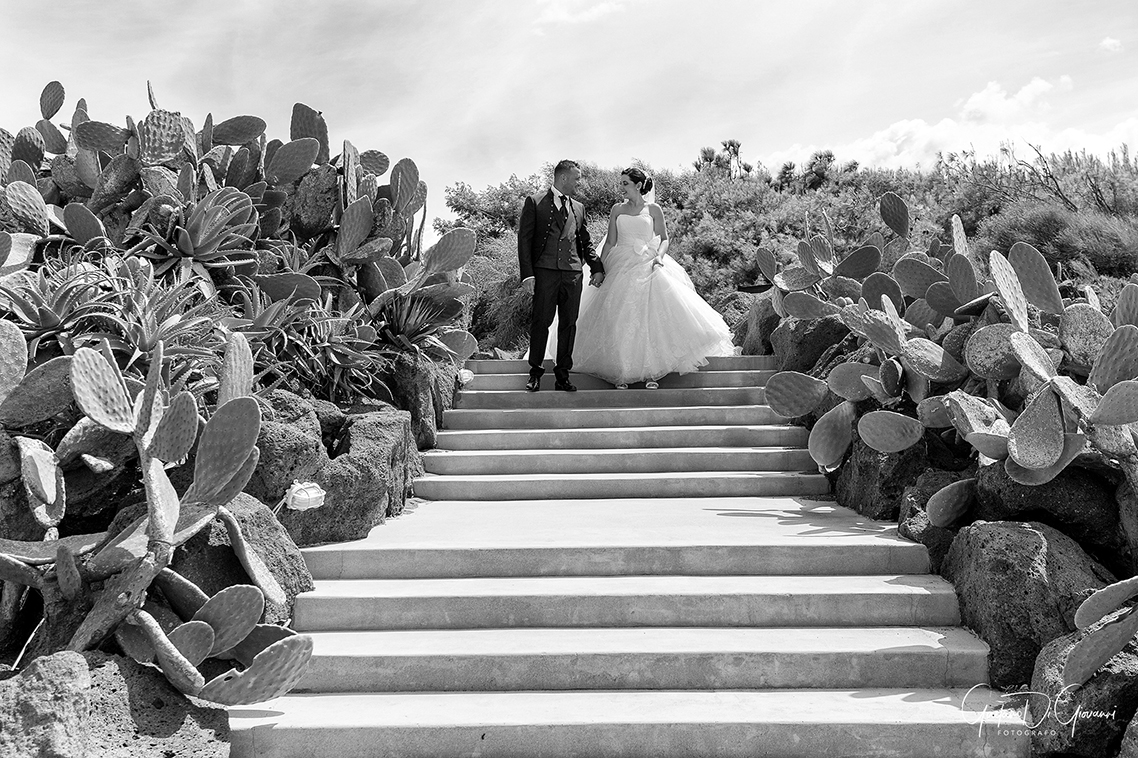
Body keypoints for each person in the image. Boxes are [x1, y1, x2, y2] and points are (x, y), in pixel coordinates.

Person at [571, 167, 736, 389]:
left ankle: (651, 373)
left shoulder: (654, 209)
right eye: (621, 183)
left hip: (649, 262)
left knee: (649, 316)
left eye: (625, 183)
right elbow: (610, 241)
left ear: (638, 186)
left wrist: (658, 257)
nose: (622, 187)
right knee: (621, 317)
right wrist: (598, 267)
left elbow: (664, 239)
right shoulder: (617, 209)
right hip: (621, 263)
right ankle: (622, 373)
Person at [517, 160, 605, 392]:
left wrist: (596, 267)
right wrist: (527, 275)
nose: (579, 182)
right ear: (563, 177)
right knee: (541, 322)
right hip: (545, 273)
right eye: (576, 178)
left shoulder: (579, 207)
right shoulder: (534, 202)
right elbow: (524, 241)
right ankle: (535, 373)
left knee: (569, 324)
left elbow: (585, 241)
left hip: (573, 274)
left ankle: (562, 376)